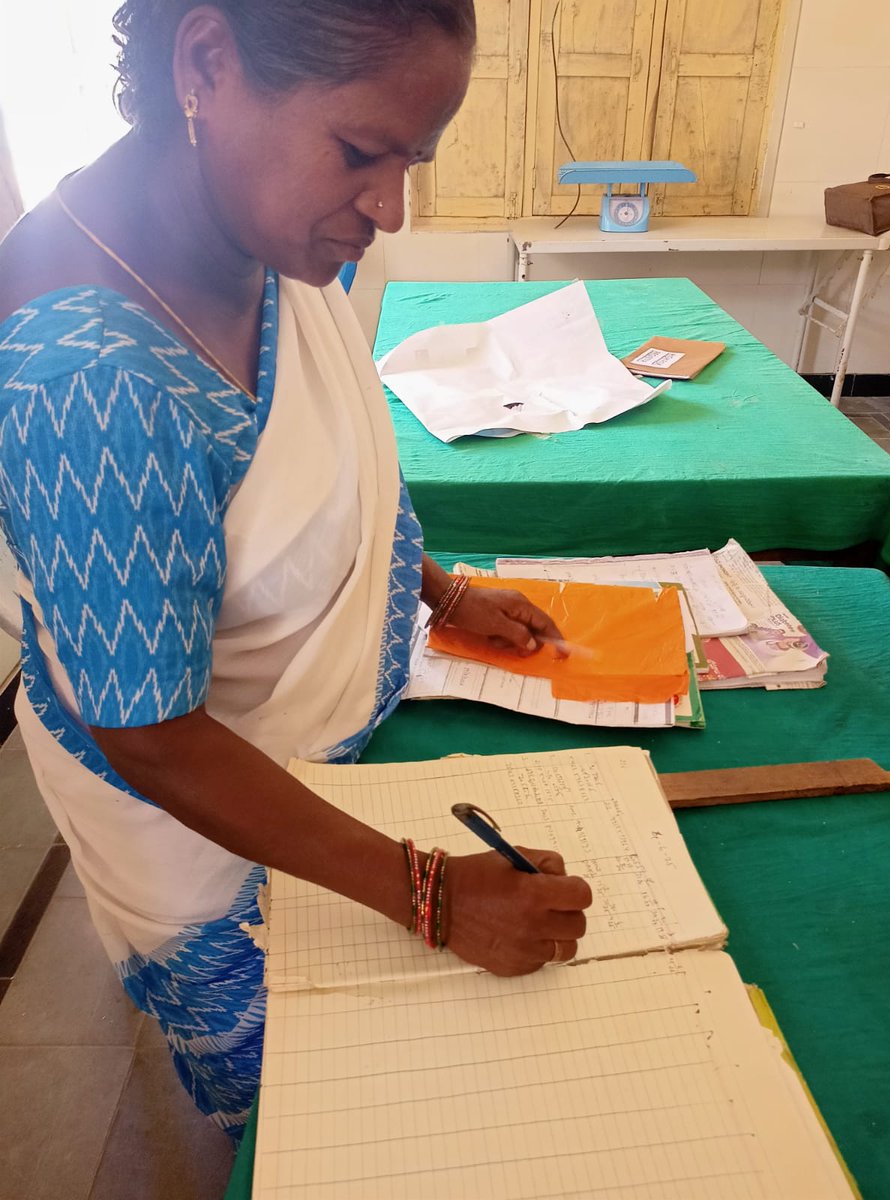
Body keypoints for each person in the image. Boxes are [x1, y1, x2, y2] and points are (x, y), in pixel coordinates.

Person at [0, 0, 592, 1139]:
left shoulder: (247, 223)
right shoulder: (90, 382)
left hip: (328, 777)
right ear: (208, 62)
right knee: (341, 1134)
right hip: (208, 848)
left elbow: (323, 468)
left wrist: (440, 585)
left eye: (414, 159)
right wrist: (430, 894)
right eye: (362, 152)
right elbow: (150, 732)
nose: (390, 208)